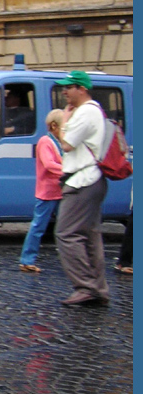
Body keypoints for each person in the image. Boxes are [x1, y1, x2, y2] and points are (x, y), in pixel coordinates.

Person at [53, 71, 110, 306]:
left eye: (70, 87)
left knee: (66, 233)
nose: (65, 91)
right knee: (89, 236)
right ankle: (98, 289)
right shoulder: (89, 111)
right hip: (88, 180)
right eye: (64, 87)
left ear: (82, 89)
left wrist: (62, 125)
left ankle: (86, 286)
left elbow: (67, 144)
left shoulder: (87, 112)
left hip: (82, 181)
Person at [18, 110, 64, 273]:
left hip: (58, 191)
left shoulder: (57, 142)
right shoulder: (46, 141)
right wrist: (68, 169)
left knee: (65, 227)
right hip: (48, 192)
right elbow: (49, 164)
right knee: (38, 227)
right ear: (54, 126)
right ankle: (26, 260)